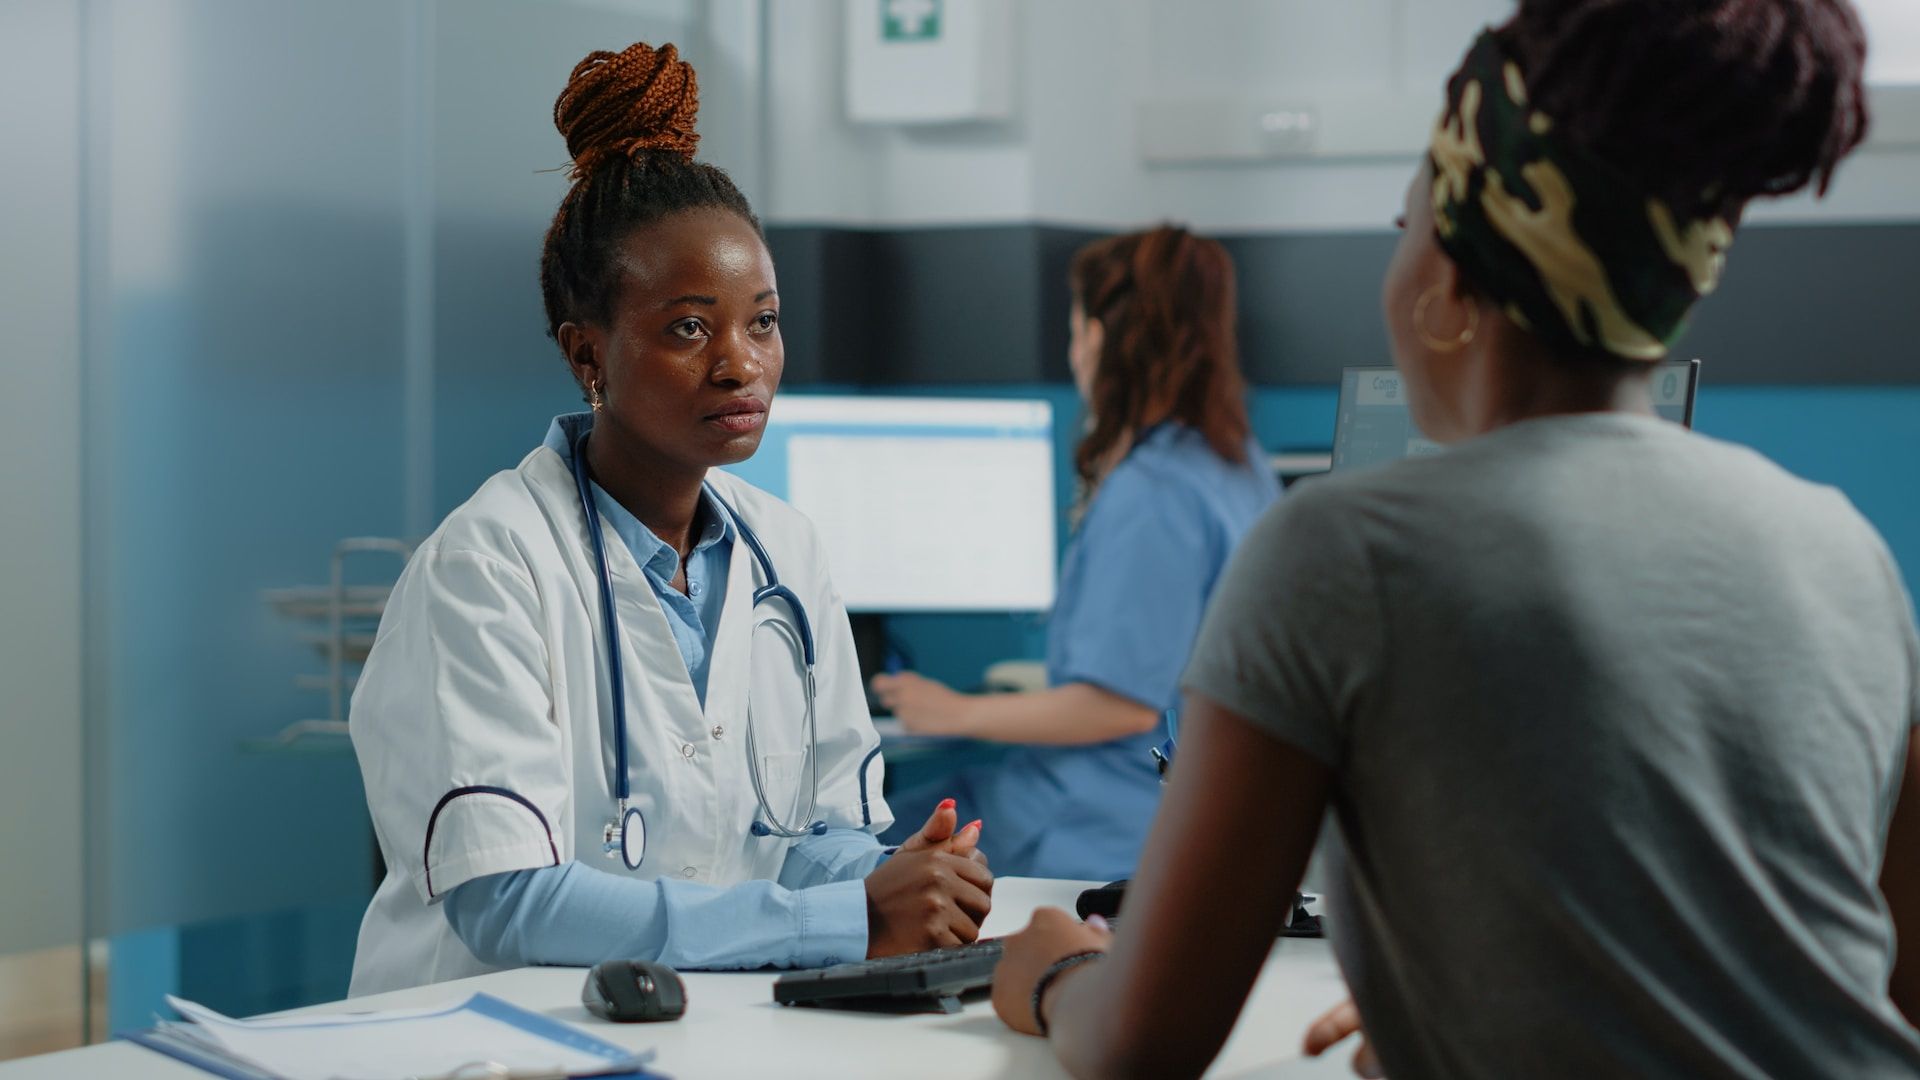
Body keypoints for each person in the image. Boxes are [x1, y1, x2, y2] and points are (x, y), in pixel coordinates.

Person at [990, 2, 1920, 1076]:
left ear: (1447, 283)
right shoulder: (1843, 549)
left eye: (1403, 228)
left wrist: (1054, 970)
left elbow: (1142, 1046)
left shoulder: (1338, 553)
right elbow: (1868, 986)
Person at [347, 41, 989, 996]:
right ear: (587, 354)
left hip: (700, 1029)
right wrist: (840, 919)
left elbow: (816, 834)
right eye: (690, 327)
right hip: (480, 1037)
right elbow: (507, 902)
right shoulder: (488, 566)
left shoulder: (789, 551)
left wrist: (905, 881)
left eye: (762, 321)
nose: (741, 363)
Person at [870, 226, 1281, 881]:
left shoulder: (1154, 493)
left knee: (858, 847)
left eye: (1076, 330)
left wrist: (954, 710)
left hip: (1099, 826)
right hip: (1183, 805)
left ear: (1098, 339)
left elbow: (1119, 705)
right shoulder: (1239, 466)